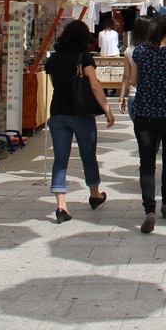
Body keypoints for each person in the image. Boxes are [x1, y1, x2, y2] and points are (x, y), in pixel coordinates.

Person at [43, 20, 115, 224]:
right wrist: (107, 111)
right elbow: (94, 86)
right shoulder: (84, 58)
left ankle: (61, 205)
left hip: (57, 112)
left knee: (60, 159)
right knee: (88, 155)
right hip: (81, 114)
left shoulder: (54, 59)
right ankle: (94, 193)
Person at [131, 16, 166, 234]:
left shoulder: (140, 52)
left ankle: (149, 209)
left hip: (144, 112)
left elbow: (134, 81)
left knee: (146, 162)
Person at [118, 17, 151, 122]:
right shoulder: (155, 49)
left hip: (134, 95)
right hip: (153, 96)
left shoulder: (129, 50)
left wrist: (121, 98)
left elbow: (126, 76)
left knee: (141, 134)